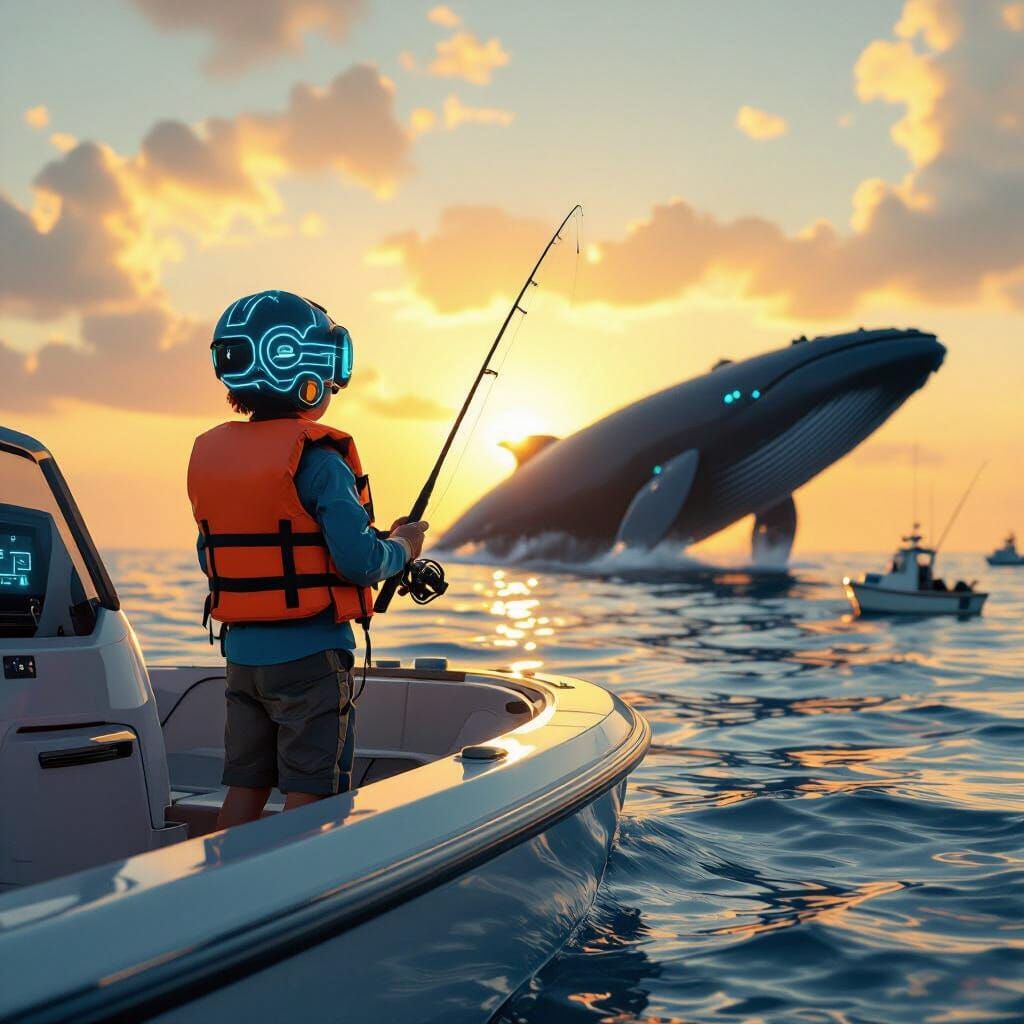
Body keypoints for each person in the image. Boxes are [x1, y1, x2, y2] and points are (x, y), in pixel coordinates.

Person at [186, 290, 428, 828]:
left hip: (242, 660)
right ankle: (300, 880)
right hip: (310, 659)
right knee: (311, 794)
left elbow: (214, 556)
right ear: (308, 373)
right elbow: (360, 562)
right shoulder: (320, 461)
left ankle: (222, 875)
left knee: (245, 789)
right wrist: (404, 547)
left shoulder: (213, 460)